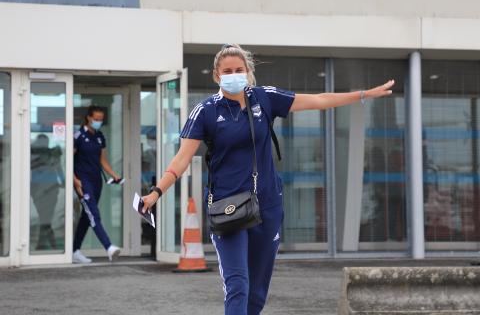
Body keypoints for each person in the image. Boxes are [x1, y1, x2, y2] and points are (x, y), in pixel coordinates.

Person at [141, 44, 395, 314]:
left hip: (267, 205)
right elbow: (181, 159)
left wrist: (363, 95)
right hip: (227, 208)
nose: (234, 75)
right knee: (238, 283)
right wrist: (156, 192)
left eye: (239, 70)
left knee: (257, 292)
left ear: (248, 72)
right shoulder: (205, 111)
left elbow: (318, 100)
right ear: (217, 76)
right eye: (227, 71)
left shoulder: (264, 98)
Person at [73, 105, 122, 264]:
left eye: (101, 120)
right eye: (96, 119)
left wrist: (114, 175)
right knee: (94, 213)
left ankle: (74, 250)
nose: (98, 122)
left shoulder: (100, 136)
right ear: (88, 118)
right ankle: (108, 247)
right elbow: (69, 159)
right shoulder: (78, 136)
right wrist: (75, 180)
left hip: (96, 181)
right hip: (82, 180)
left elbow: (103, 161)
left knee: (87, 217)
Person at [31, 134, 64, 250]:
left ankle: (43, 245)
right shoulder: (32, 153)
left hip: (51, 189)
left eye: (45, 142)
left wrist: (64, 182)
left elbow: (59, 168)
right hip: (37, 190)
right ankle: (50, 246)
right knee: (45, 218)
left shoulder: (52, 153)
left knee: (45, 218)